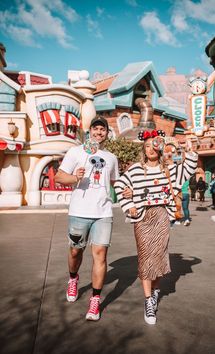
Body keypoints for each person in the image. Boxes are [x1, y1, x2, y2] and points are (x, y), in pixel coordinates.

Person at [114, 130, 198, 325]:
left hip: (161, 216)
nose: (151, 148)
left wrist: (190, 151)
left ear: (160, 147)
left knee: (159, 257)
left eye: (155, 144)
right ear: (144, 148)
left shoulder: (169, 169)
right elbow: (119, 185)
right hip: (143, 218)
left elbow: (190, 168)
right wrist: (130, 205)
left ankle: (155, 291)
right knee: (145, 257)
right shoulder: (135, 169)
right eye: (147, 145)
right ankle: (148, 301)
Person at [54, 116, 124, 321]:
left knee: (100, 254)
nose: (99, 132)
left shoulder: (111, 157)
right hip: (79, 212)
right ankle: (73, 279)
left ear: (106, 133)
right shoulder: (76, 152)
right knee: (76, 251)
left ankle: (95, 300)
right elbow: (59, 177)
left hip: (103, 213)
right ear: (90, 131)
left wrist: (126, 191)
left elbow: (115, 182)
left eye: (103, 129)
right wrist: (76, 177)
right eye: (96, 128)